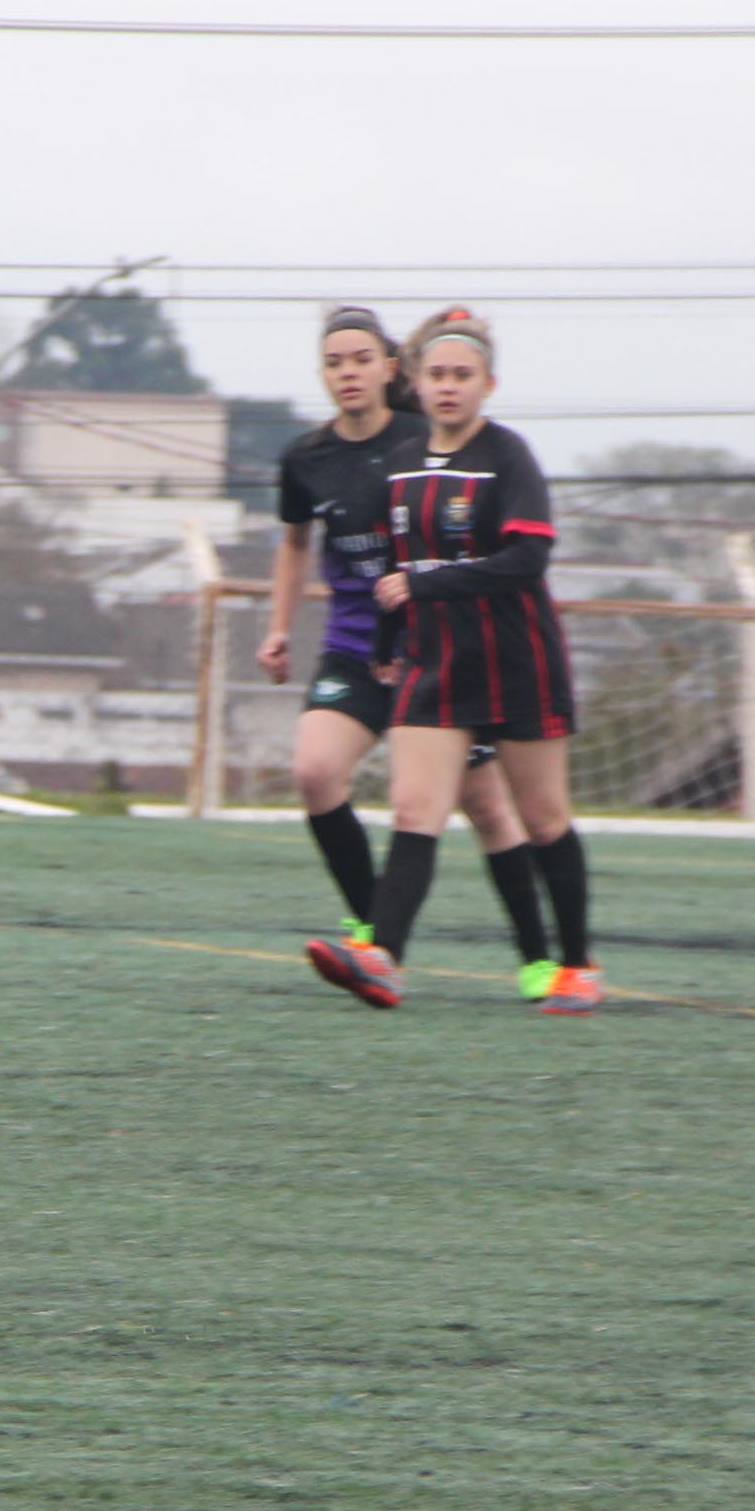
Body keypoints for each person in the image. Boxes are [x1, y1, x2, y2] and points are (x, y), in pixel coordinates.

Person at [257, 305, 559, 996]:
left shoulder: (428, 441)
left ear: (392, 369)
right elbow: (295, 542)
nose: (348, 373)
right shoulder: (306, 458)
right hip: (355, 648)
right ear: (323, 375)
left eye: (361, 359)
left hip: (438, 650)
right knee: (314, 771)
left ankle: (540, 958)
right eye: (334, 363)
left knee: (484, 807)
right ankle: (372, 931)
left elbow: (483, 538)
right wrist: (278, 628)